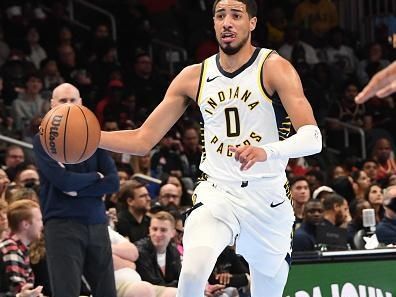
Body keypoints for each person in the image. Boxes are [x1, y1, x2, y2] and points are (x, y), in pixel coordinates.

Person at [99, 1, 322, 296]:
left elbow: (313, 137)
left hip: (267, 197)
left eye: (236, 15)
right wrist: (92, 138)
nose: (227, 22)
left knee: (267, 291)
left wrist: (267, 150)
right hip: (218, 192)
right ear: (214, 23)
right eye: (220, 16)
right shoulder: (194, 76)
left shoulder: (273, 67)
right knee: (193, 270)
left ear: (252, 23)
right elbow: (143, 140)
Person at [33, 83, 119, 297]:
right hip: (62, 225)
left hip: (98, 223)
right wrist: (95, 177)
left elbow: (113, 182)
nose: (69, 105)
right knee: (66, 291)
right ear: (52, 105)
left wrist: (77, 188)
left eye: (73, 100)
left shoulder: (95, 137)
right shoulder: (43, 140)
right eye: (63, 101)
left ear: (81, 103)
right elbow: (63, 182)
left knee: (107, 292)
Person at [0, 199, 43, 296]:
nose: (42, 225)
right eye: (39, 220)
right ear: (26, 224)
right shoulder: (11, 249)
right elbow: (19, 291)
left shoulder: (17, 248)